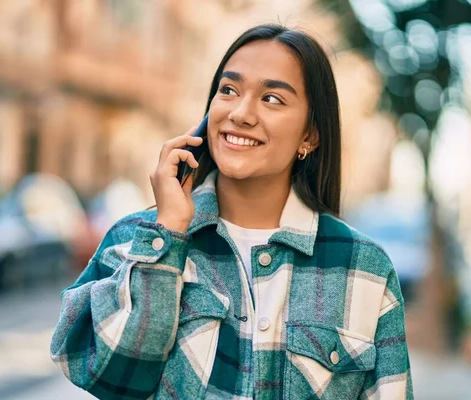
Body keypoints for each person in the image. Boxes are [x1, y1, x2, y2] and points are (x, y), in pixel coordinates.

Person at [50, 24, 413, 400]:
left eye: (272, 98)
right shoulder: (139, 240)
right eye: (228, 90)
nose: (240, 113)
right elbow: (112, 376)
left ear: (310, 136)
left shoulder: (364, 269)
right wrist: (169, 233)